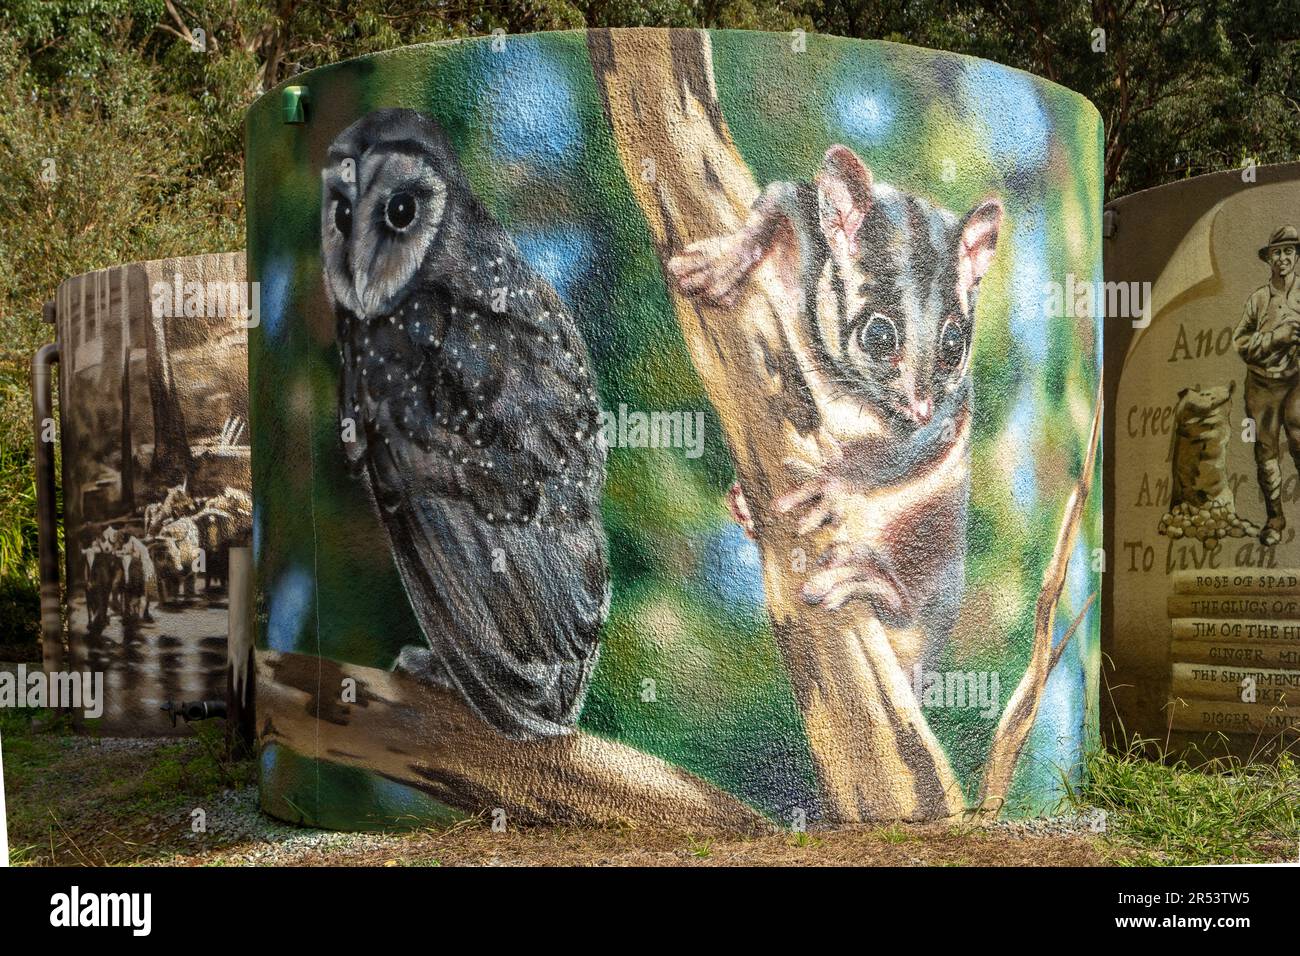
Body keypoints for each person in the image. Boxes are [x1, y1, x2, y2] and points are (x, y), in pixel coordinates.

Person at [1233, 225, 1300, 545]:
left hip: (1296, 380)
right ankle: (1275, 519)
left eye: (1289, 251)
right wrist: (1277, 338)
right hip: (1262, 385)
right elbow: (1241, 342)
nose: (1283, 258)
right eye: (1278, 252)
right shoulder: (1258, 300)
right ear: (1269, 258)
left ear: (1296, 256)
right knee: (1266, 454)